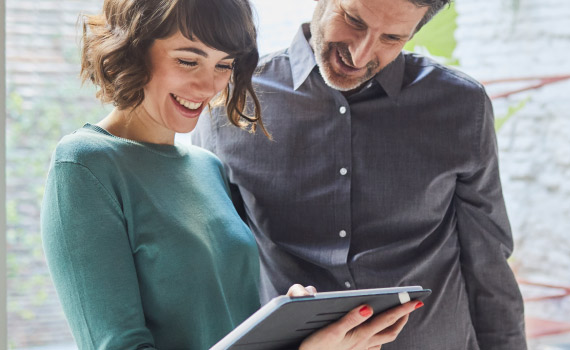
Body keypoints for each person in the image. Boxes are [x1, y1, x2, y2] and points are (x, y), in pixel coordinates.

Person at [40, 0, 424, 349]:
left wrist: (286, 328)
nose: (208, 86)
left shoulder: (207, 167)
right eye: (189, 60)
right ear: (135, 48)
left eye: (224, 65)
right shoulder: (85, 165)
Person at [191, 0, 528, 349]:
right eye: (353, 20)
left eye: (392, 38)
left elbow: (488, 267)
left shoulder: (461, 105)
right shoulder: (231, 99)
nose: (361, 53)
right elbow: (214, 271)